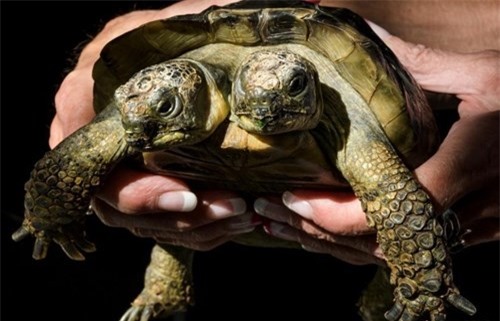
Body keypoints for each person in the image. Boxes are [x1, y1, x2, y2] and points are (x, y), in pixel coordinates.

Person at [49, 0, 499, 265]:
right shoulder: (174, 87)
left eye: (293, 89)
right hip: (145, 246)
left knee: (400, 216)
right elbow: (79, 154)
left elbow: (400, 203)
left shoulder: (341, 111)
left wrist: (419, 269)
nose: (266, 107)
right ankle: (168, 274)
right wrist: (54, 206)